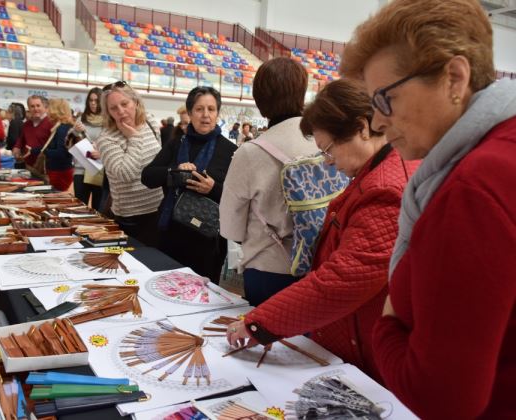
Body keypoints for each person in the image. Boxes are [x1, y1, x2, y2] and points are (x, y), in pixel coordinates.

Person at [339, 0, 516, 417]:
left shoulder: (473, 187)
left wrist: (388, 320)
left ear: (454, 78)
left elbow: (442, 398)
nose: (378, 123)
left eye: (386, 99)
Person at [226, 79, 419, 382]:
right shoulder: (375, 173)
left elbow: (343, 280)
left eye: (329, 151)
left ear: (362, 129)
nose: (329, 164)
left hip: (368, 343)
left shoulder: (386, 189)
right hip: (356, 332)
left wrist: (259, 323)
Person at [220, 57, 319, 306]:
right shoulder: (322, 140)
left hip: (269, 266)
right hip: (318, 263)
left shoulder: (250, 152)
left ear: (260, 100)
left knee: (266, 341)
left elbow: (230, 226)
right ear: (302, 93)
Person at [142, 86, 237, 283]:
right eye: (199, 109)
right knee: (165, 289)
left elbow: (239, 197)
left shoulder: (230, 150)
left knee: (203, 299)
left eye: (211, 109)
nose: (205, 115)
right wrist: (175, 172)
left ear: (218, 113)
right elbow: (148, 176)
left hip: (208, 242)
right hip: (171, 235)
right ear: (190, 112)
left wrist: (213, 189)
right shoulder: (176, 143)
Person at [95, 81, 163, 247]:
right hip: (130, 218)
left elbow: (158, 160)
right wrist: (134, 138)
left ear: (136, 102)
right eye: (113, 108)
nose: (121, 111)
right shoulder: (107, 139)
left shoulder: (150, 123)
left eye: (124, 104)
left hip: (159, 210)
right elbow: (126, 174)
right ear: (108, 112)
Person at [71, 87, 104, 210]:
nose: (93, 103)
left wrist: (102, 152)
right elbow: (68, 144)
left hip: (100, 170)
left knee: (99, 211)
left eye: (96, 100)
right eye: (91, 100)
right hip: (81, 169)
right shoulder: (81, 119)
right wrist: (75, 132)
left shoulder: (110, 122)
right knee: (79, 209)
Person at [13, 95, 53, 171]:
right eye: (32, 106)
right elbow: (21, 140)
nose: (35, 109)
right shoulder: (26, 124)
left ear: (44, 107)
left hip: (45, 167)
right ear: (28, 108)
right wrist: (16, 148)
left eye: (38, 106)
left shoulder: (51, 123)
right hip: (28, 167)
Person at [43, 99, 74, 191]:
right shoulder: (64, 127)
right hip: (60, 171)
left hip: (59, 172)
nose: (47, 111)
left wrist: (45, 151)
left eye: (49, 108)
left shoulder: (62, 129)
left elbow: (62, 153)